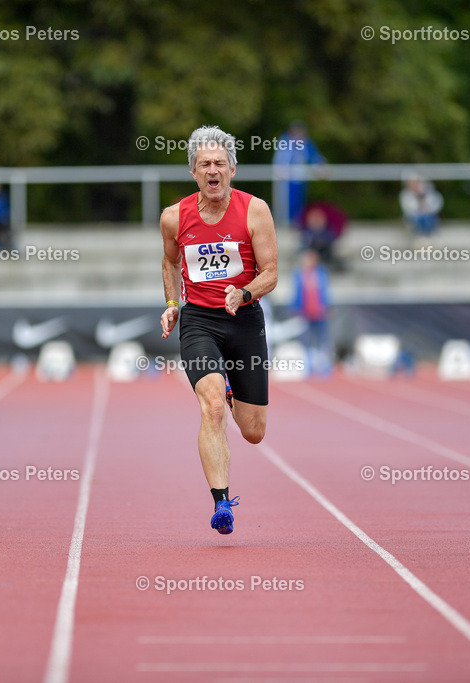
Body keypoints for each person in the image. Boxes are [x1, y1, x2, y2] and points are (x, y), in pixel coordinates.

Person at [160, 125, 278, 534]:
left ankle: (233, 391)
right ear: (193, 171)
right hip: (200, 321)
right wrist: (172, 305)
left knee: (253, 432)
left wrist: (243, 293)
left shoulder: (254, 210)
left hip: (244, 318)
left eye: (220, 164)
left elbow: (272, 272)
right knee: (211, 407)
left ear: (232, 170)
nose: (213, 170)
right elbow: (170, 261)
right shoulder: (174, 217)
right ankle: (221, 502)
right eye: (205, 164)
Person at [273, 121, 326, 224]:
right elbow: (280, 159)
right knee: (285, 202)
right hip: (286, 180)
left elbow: (314, 157)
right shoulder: (285, 142)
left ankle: (297, 223)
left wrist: (321, 166)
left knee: (299, 203)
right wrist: (281, 169)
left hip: (300, 179)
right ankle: (284, 223)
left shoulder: (306, 143)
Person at [292, 249, 331, 376]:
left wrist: (327, 306)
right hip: (305, 314)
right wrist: (294, 308)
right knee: (305, 342)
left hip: (319, 313)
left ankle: (324, 367)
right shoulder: (299, 274)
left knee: (322, 341)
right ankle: (308, 367)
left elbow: (325, 292)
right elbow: (296, 292)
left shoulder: (321, 273)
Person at [399, 174, 443, 238]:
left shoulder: (429, 193)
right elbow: (409, 210)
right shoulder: (406, 195)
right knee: (418, 219)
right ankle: (420, 236)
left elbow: (436, 206)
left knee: (427, 218)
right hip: (414, 217)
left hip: (429, 216)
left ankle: (428, 236)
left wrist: (423, 199)